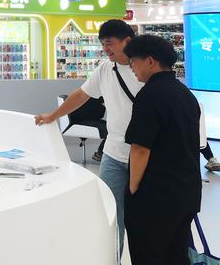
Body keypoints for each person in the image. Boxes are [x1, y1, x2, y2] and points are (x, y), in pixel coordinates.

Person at [35, 19, 141, 257]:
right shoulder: (105, 69)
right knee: (109, 214)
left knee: (143, 218)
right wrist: (53, 115)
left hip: (144, 156)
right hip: (113, 155)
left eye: (109, 43)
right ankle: (113, 259)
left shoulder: (144, 70)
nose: (105, 49)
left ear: (127, 41)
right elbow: (82, 95)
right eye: (103, 44)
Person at [123, 35, 201, 265]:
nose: (132, 68)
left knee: (148, 254)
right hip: (186, 191)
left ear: (150, 61)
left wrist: (133, 188)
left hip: (156, 196)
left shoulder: (149, 95)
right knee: (176, 253)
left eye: (133, 62)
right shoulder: (185, 94)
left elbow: (140, 148)